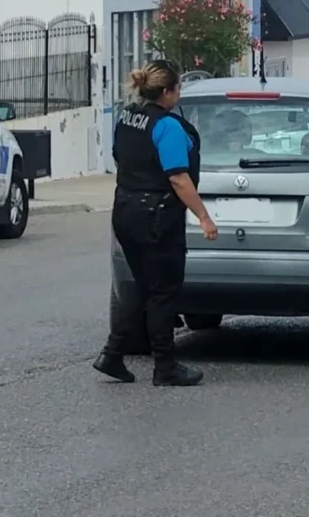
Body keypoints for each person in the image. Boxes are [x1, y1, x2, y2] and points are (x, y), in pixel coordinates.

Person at [93, 59, 218, 387]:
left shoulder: (127, 117)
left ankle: (113, 354)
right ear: (167, 92)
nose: (179, 94)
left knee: (144, 286)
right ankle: (165, 365)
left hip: (125, 211)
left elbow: (120, 157)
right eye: (177, 89)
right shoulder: (167, 127)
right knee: (163, 290)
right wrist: (204, 217)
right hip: (157, 216)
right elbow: (178, 177)